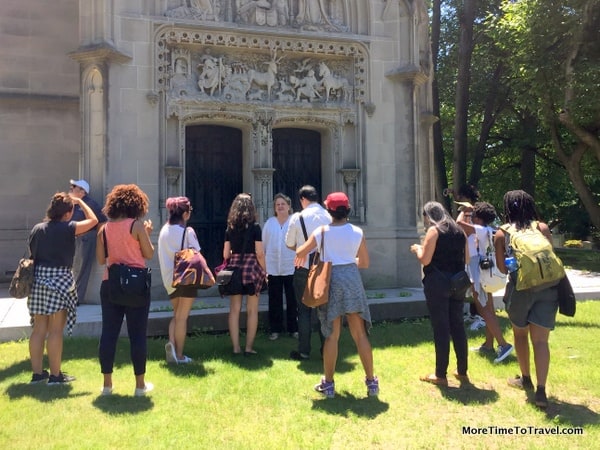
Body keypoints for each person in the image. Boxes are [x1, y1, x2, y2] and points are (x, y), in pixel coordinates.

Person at [296, 192, 378, 398]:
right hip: (351, 279)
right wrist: (348, 262)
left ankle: (329, 384)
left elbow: (300, 252)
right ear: (347, 209)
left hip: (330, 280)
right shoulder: (358, 232)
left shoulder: (321, 231)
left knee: (332, 335)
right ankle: (371, 383)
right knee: (360, 334)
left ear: (329, 211)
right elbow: (365, 263)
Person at [494, 190, 559, 409]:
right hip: (548, 288)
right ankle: (541, 392)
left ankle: (525, 378)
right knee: (541, 341)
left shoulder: (502, 233)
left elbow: (502, 269)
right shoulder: (541, 227)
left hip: (519, 289)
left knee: (520, 335)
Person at [28, 192, 98, 384]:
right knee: (56, 330)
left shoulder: (37, 228)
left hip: (38, 280)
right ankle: (55, 375)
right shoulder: (69, 227)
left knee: (39, 329)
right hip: (60, 280)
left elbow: (32, 253)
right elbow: (93, 220)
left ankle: (37, 374)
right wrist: (81, 202)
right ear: (68, 212)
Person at [96, 184, 154, 396]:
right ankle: (140, 386)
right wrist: (146, 234)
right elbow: (148, 254)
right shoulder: (136, 225)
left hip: (110, 283)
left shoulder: (103, 229)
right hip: (136, 285)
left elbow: (102, 259)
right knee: (137, 334)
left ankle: (107, 385)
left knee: (109, 334)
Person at [410, 201, 470, 386]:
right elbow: (467, 258)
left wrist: (418, 249)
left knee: (441, 328)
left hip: (438, 283)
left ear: (429, 216)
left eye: (425, 217)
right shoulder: (460, 232)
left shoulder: (434, 231)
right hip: (458, 282)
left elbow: (425, 260)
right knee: (458, 326)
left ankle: (440, 374)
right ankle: (462, 371)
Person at [158, 197, 214, 364]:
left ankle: (172, 346)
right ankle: (180, 355)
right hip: (185, 279)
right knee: (182, 317)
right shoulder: (187, 231)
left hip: (169, 279)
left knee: (176, 315)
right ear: (184, 214)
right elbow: (197, 254)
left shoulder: (163, 231)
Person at [457, 202, 514, 363]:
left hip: (480, 275)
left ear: (479, 218)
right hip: (488, 274)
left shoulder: (481, 230)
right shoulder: (490, 230)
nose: (472, 217)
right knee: (488, 308)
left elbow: (459, 224)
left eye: (474, 215)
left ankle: (503, 344)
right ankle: (488, 344)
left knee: (483, 310)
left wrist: (465, 210)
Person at [285, 185, 331, 360]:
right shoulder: (328, 216)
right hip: (325, 268)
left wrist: (302, 249)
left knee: (303, 310)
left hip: (303, 268)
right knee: (324, 310)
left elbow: (289, 243)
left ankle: (304, 350)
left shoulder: (298, 217)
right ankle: (327, 348)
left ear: (303, 199)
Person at [222, 193, 267, 355]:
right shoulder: (255, 227)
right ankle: (248, 347)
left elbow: (226, 254)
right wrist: (264, 270)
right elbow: (260, 253)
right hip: (251, 269)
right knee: (252, 310)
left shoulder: (230, 228)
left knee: (234, 310)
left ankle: (235, 348)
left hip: (235, 269)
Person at [262, 193, 298, 341]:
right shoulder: (270, 223)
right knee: (274, 300)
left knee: (292, 299)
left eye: (283, 204)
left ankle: (293, 328)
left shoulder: (294, 222)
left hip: (291, 266)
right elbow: (263, 245)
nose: (280, 206)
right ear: (274, 208)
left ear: (289, 206)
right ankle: (275, 329)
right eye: (278, 204)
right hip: (273, 267)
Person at [69, 179, 107, 304]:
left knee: (81, 269)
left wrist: (98, 238)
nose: (71, 188)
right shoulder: (71, 204)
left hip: (85, 239)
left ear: (82, 192)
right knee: (73, 269)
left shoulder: (91, 204)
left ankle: (76, 298)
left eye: (74, 187)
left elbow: (102, 221)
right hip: (72, 239)